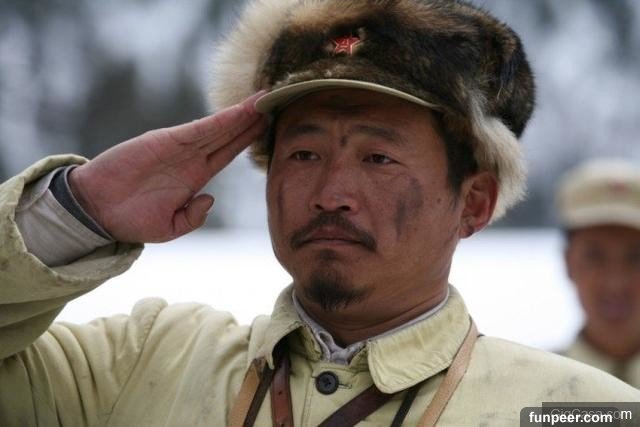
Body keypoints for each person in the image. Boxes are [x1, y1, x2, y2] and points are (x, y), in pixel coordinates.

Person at [1, 1, 638, 426]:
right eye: (304, 153)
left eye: (378, 158)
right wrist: (74, 212)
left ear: (473, 203)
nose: (331, 192)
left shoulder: (578, 409)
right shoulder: (141, 362)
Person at [557, 159, 640, 389]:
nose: (616, 284)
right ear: (568, 263)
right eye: (595, 257)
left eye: (636, 258)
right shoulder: (529, 389)